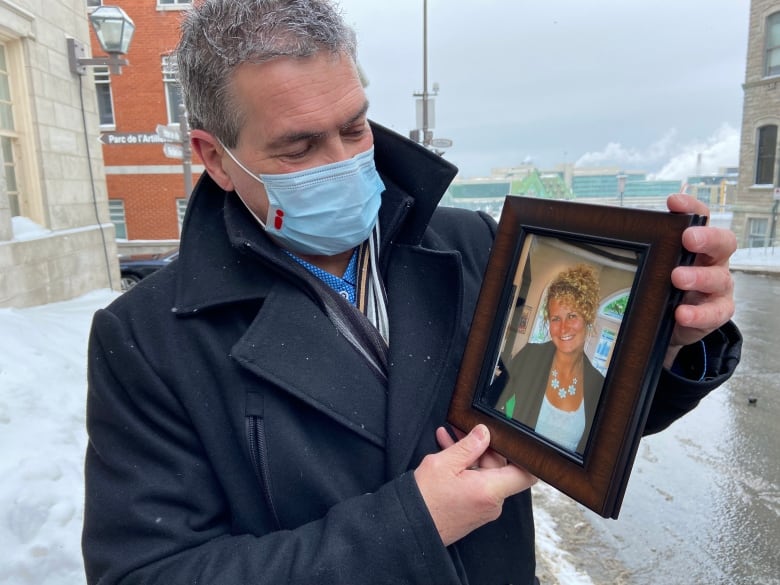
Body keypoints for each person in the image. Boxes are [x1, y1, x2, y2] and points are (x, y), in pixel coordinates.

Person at [81, 1, 742, 583]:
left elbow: (564, 416)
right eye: (299, 147)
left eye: (354, 126)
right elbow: (149, 570)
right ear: (216, 157)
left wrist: (665, 340)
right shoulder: (147, 340)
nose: (342, 162)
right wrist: (411, 524)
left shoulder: (470, 244)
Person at [495, 264, 605, 454]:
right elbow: (492, 403)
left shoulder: (599, 385)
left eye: (572, 316)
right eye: (556, 318)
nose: (563, 328)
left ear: (587, 318)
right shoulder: (529, 356)